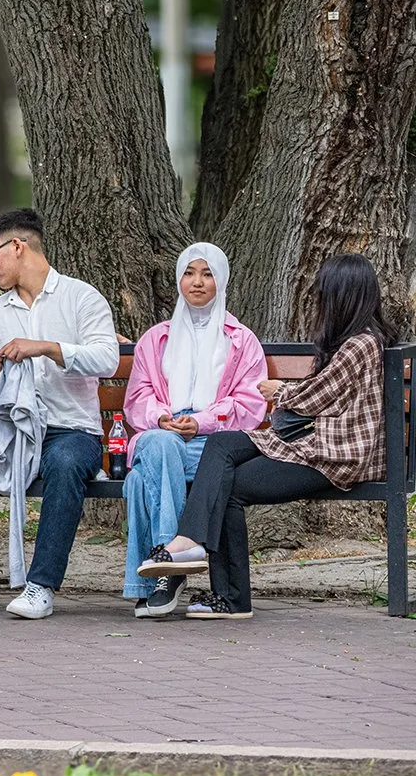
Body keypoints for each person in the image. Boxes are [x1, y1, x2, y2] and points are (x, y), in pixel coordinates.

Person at [139, 252, 392, 620]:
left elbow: (317, 395)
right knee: (222, 449)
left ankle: (216, 578)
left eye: (325, 292)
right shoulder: (355, 341)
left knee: (227, 481)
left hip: (333, 457)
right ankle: (199, 556)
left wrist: (279, 391)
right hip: (314, 445)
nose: (319, 299)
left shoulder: (361, 344)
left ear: (343, 296)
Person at [0, 207, 117, 619]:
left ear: (17, 246)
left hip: (70, 431)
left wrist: (47, 347)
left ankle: (41, 586)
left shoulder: (81, 297)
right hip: (12, 434)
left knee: (67, 463)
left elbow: (107, 358)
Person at [120, 242, 267, 618]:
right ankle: (174, 564)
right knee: (159, 444)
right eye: (189, 273)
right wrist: (161, 417)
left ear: (221, 281)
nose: (197, 282)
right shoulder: (156, 339)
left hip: (214, 442)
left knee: (140, 480)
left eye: (207, 274)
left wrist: (201, 421)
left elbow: (250, 406)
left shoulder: (241, 340)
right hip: (163, 433)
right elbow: (137, 399)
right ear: (178, 279)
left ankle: (155, 580)